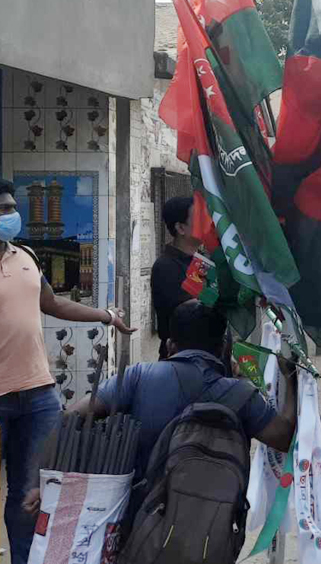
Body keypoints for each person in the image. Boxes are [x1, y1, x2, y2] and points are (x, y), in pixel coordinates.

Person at [0, 178, 134, 564]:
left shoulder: (26, 255)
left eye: (12, 208)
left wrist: (105, 316)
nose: (11, 215)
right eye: (3, 210)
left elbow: (53, 303)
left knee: (31, 490)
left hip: (39, 393)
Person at [54, 300, 296, 483]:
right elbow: (283, 437)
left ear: (170, 345)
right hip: (214, 527)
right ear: (223, 347)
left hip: (141, 520)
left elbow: (71, 416)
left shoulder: (136, 377)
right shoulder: (242, 394)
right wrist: (290, 379)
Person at [151, 196, 198, 359]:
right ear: (181, 228)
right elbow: (191, 313)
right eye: (199, 218)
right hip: (182, 360)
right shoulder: (165, 266)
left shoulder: (203, 261)